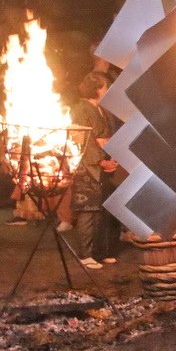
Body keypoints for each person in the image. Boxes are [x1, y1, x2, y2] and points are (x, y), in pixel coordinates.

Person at [69, 71, 119, 269]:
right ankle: (85, 254)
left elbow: (107, 135)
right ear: (97, 89)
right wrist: (100, 161)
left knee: (102, 210)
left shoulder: (101, 110)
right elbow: (85, 140)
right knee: (88, 210)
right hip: (87, 167)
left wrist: (112, 156)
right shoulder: (81, 109)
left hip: (103, 162)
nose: (107, 90)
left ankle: (100, 252)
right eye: (105, 87)